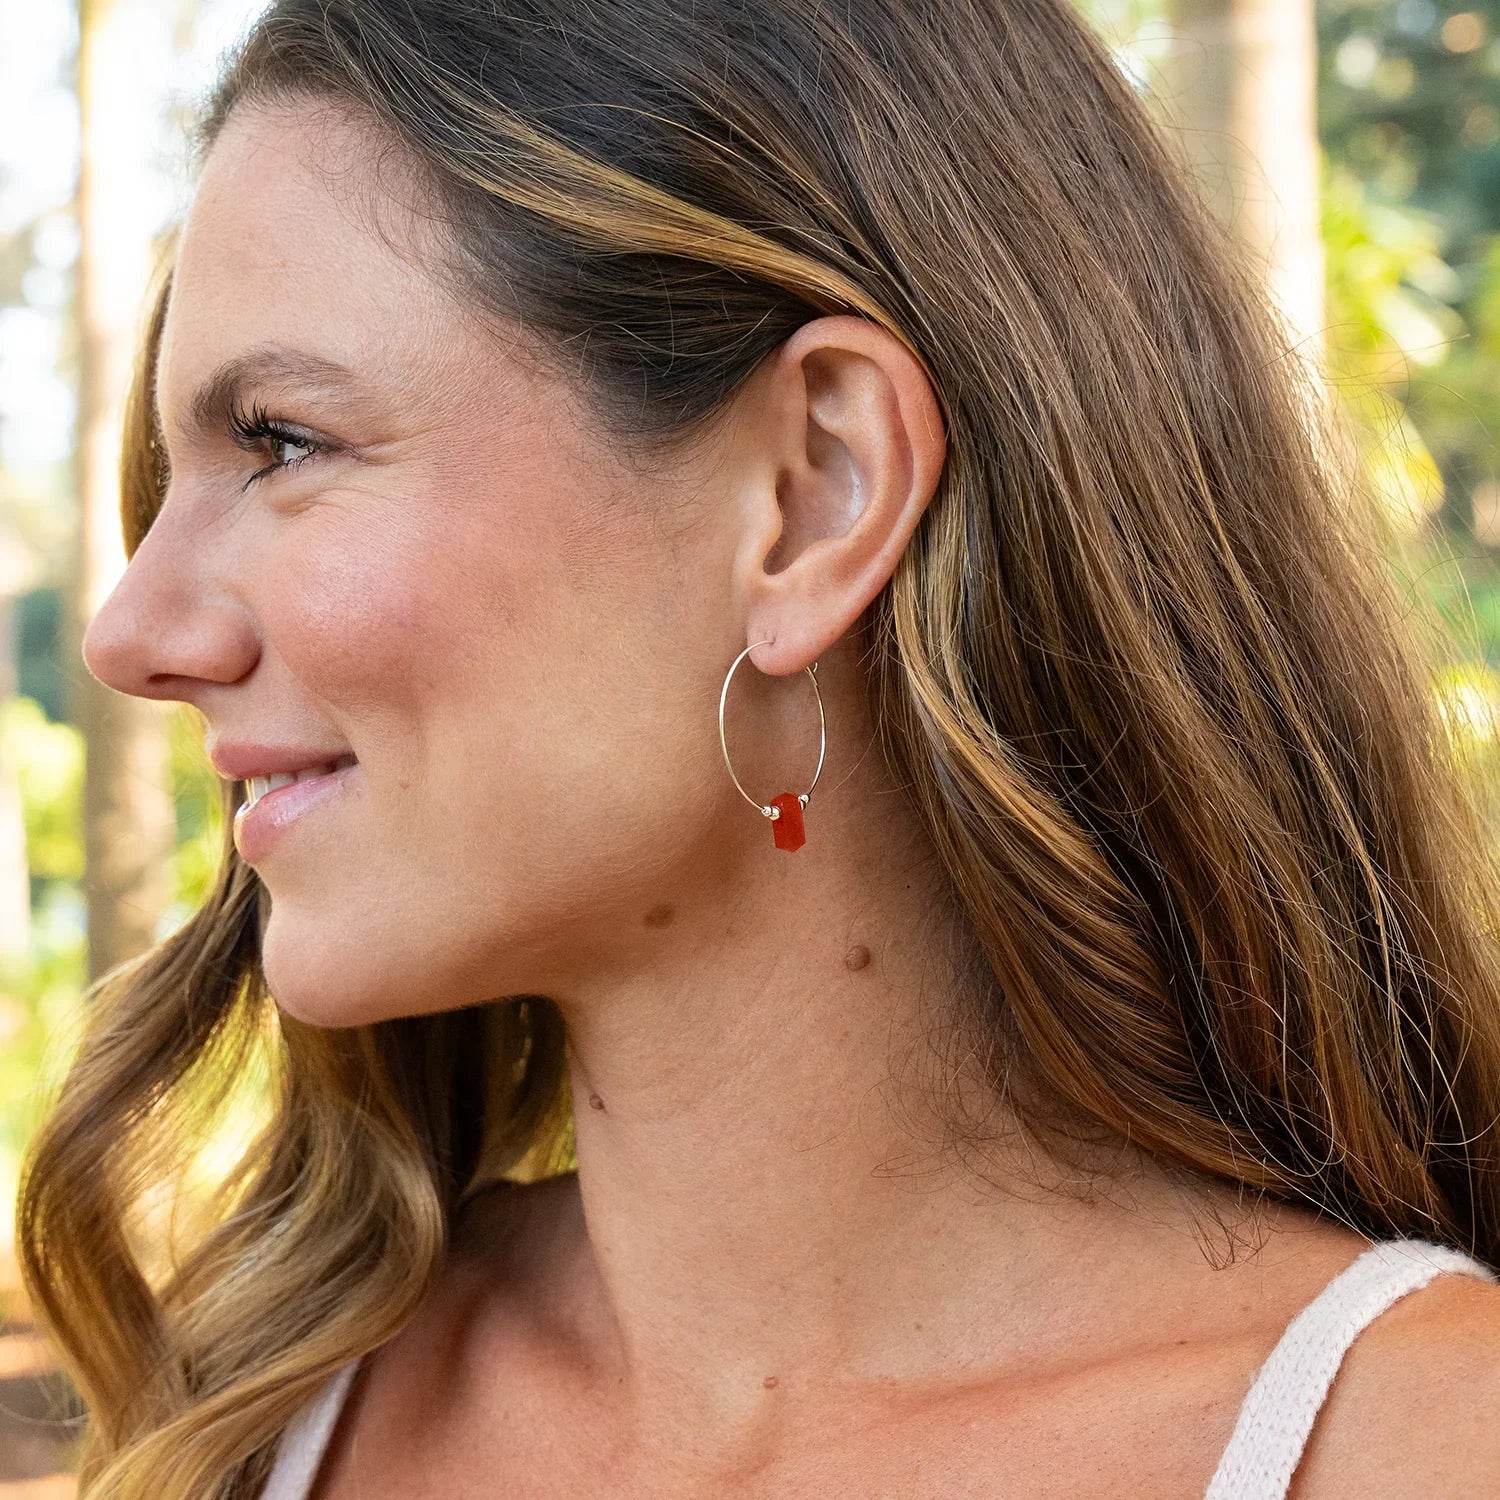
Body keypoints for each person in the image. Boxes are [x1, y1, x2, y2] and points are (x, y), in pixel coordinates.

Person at [18, 0, 1500, 1496]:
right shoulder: (264, 1400)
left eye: (279, 441)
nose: (133, 630)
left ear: (814, 493)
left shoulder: (1416, 1448)